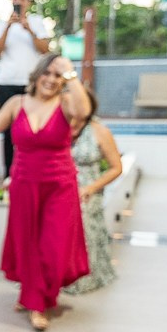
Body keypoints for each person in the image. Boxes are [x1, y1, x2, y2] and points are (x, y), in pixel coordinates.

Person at [0, 53, 90, 331]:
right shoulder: (17, 104)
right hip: (25, 184)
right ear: (36, 75)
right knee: (28, 243)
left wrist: (71, 73)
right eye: (47, 73)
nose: (51, 80)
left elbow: (84, 111)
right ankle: (34, 299)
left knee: (53, 246)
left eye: (57, 76)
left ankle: (36, 298)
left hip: (59, 186)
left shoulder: (65, 103)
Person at [63, 92, 121, 294]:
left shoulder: (99, 131)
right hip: (59, 187)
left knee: (80, 213)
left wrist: (90, 188)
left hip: (87, 190)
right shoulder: (57, 127)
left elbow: (116, 167)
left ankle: (81, 276)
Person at [0, 0, 50, 176]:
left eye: (21, 0)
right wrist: (8, 27)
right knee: (8, 130)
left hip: (29, 83)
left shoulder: (37, 22)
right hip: (7, 82)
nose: (18, 3)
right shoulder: (2, 25)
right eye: (14, 0)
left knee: (32, 127)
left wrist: (29, 30)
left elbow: (45, 50)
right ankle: (9, 173)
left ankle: (32, 169)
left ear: (28, 2)